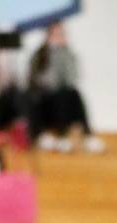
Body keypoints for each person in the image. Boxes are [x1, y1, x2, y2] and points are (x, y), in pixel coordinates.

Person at [25, 21, 104, 153]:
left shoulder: (68, 53)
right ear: (48, 36)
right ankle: (61, 135)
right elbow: (46, 81)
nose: (58, 37)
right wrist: (53, 55)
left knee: (74, 93)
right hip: (44, 102)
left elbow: (72, 78)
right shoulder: (39, 55)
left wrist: (63, 53)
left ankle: (87, 135)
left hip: (62, 99)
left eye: (61, 34)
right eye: (55, 34)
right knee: (59, 94)